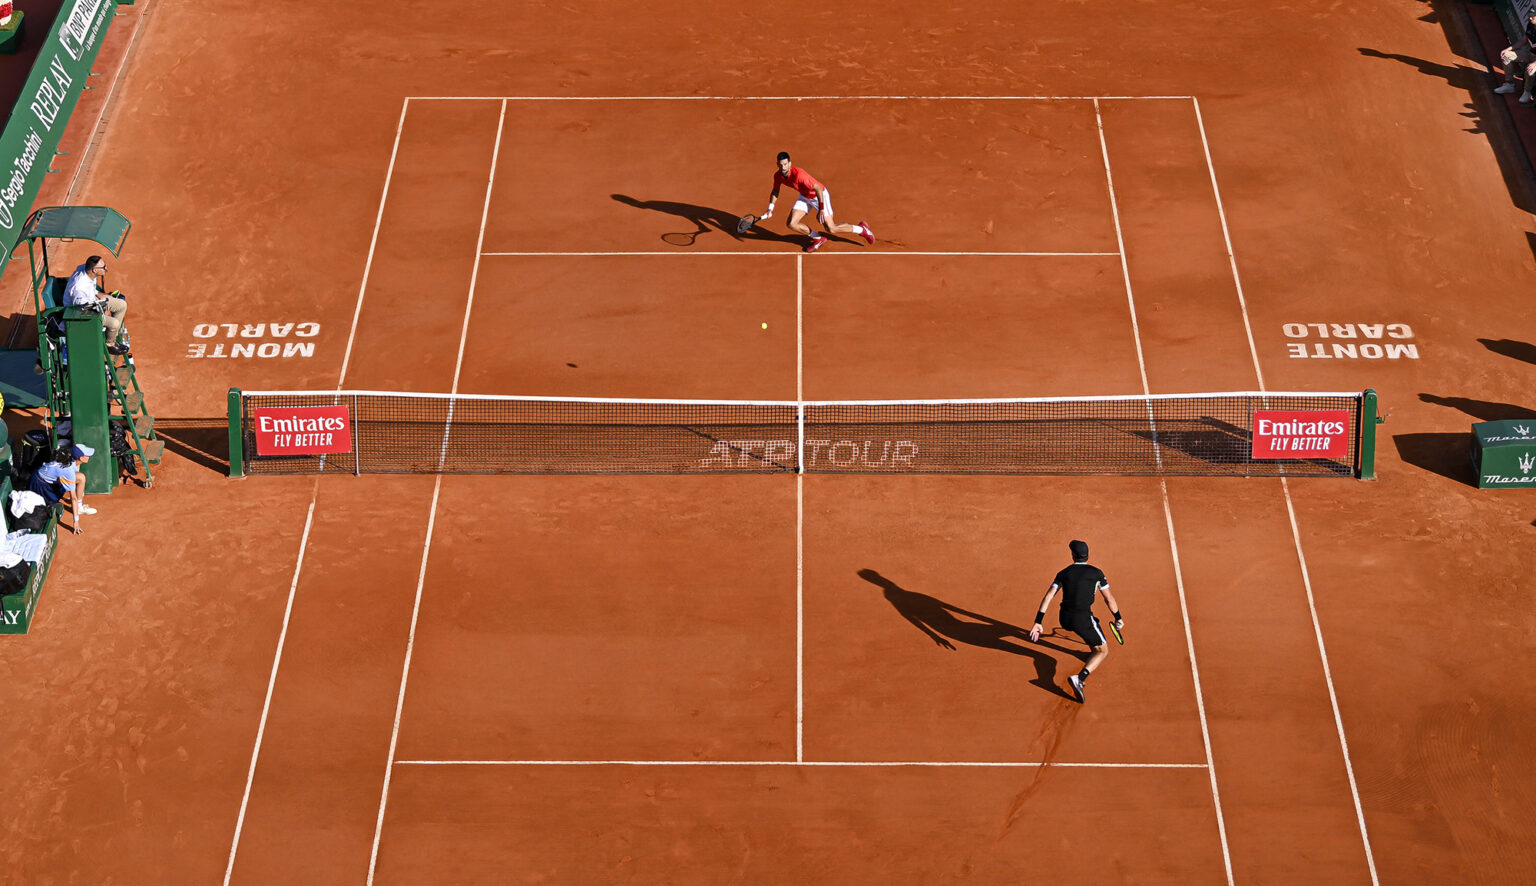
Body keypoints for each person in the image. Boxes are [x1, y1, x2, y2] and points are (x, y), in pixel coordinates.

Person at [1027, 539, 1123, 703]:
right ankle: (1080, 678)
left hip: (1064, 619)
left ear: (1073, 556)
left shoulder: (1063, 573)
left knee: (1094, 625)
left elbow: (1049, 596)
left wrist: (1038, 622)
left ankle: (1092, 647)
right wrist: (1118, 618)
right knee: (1103, 651)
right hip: (1082, 620)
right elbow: (1109, 599)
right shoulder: (1097, 573)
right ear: (1087, 556)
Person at [760, 151, 875, 253]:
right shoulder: (778, 176)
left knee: (831, 228)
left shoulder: (799, 175)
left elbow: (818, 189)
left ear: (790, 163)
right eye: (780, 165)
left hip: (819, 196)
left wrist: (821, 209)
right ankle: (818, 238)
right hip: (804, 196)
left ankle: (862, 229)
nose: (783, 167)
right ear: (777, 164)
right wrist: (771, 208)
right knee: (791, 223)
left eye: (785, 164)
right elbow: (775, 191)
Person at [65, 255, 130, 355]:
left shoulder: (87, 270)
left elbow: (90, 289)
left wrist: (100, 294)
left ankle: (112, 336)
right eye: (104, 267)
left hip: (92, 302)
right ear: (95, 270)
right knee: (114, 323)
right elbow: (83, 308)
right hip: (81, 314)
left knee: (122, 305)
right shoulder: (79, 288)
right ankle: (110, 345)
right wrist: (104, 311)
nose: (106, 269)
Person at [28, 444, 96, 534]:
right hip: (39, 484)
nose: (89, 456)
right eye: (87, 455)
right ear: (81, 458)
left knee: (81, 477)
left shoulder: (72, 459)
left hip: (47, 476)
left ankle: (79, 507)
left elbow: (76, 476)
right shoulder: (68, 470)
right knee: (44, 507)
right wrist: (76, 522)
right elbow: (73, 498)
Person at [1496, 12, 1536, 105]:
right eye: (1529, 16)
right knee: (1506, 56)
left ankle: (1527, 92)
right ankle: (1509, 84)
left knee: (1530, 70)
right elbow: (1523, 41)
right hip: (1529, 54)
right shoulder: (1530, 25)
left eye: (1533, 17)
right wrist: (1508, 49)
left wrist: (1534, 64)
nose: (1530, 18)